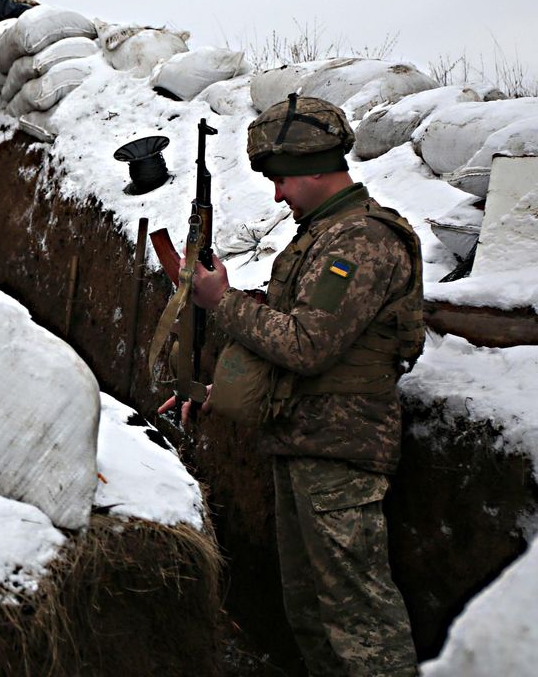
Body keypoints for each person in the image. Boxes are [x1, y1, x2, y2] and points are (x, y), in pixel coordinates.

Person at [185, 93, 425, 676]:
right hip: (302, 442)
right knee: (311, 615)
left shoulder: (361, 240)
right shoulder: (322, 232)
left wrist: (221, 302)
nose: (276, 194)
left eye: (281, 180)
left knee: (362, 626)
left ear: (315, 167)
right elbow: (285, 335)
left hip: (340, 454)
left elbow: (306, 344)